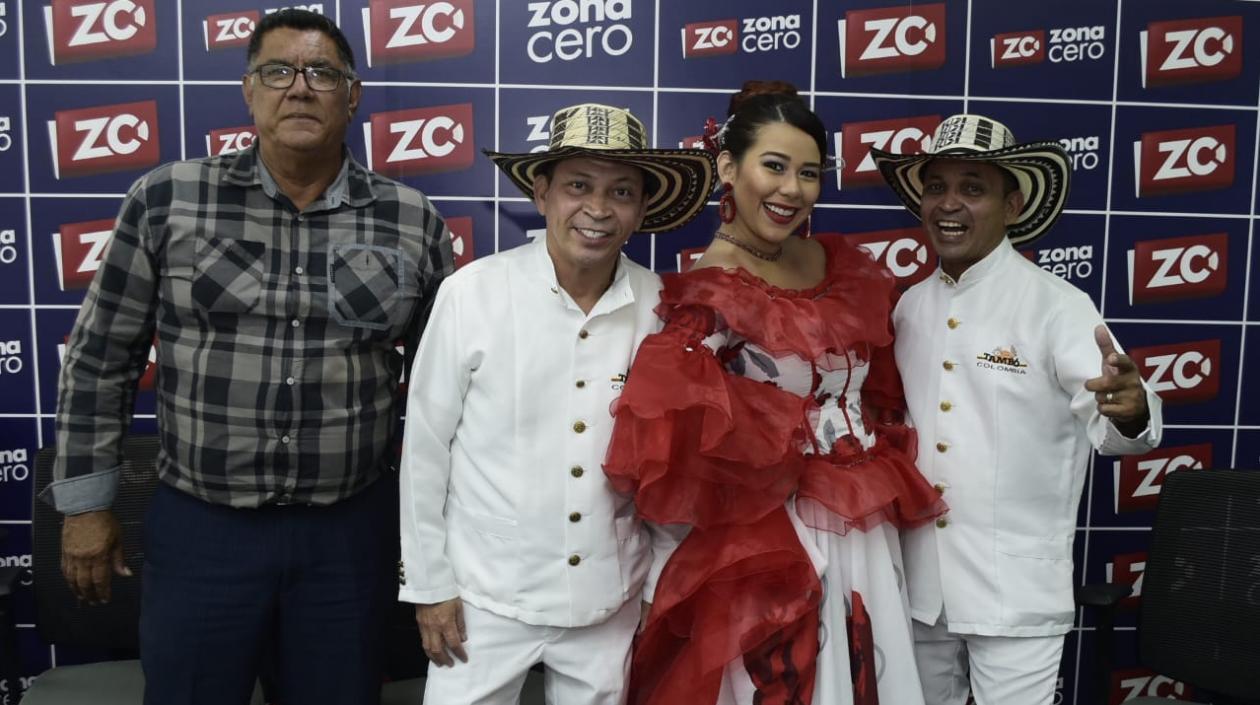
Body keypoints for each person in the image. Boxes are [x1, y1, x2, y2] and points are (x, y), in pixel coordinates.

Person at [43, 9, 454, 704]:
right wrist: (85, 504)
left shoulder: (412, 220)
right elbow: (100, 359)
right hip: (204, 530)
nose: (300, 87)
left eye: (322, 72)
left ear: (351, 95)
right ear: (249, 90)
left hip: (348, 536)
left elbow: (448, 387)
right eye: (278, 71)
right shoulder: (167, 198)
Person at [603, 81, 947, 705]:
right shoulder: (711, 289)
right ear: (728, 168)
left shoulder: (836, 265)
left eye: (809, 172)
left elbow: (880, 393)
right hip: (775, 539)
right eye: (774, 166)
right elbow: (668, 429)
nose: (792, 189)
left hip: (867, 529)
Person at [398, 103, 716, 704]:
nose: (597, 209)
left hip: (611, 596)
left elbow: (673, 468)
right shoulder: (472, 293)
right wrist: (429, 585)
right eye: (578, 186)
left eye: (620, 191)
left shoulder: (661, 308)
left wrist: (660, 587)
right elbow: (424, 451)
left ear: (642, 208)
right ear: (541, 193)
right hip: (481, 601)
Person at [872, 113, 1164, 705]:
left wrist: (1131, 410)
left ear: (1012, 203)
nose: (949, 204)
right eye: (936, 187)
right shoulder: (907, 309)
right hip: (921, 590)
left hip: (1016, 590)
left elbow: (1121, 428)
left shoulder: (1058, 306)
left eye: (973, 188)